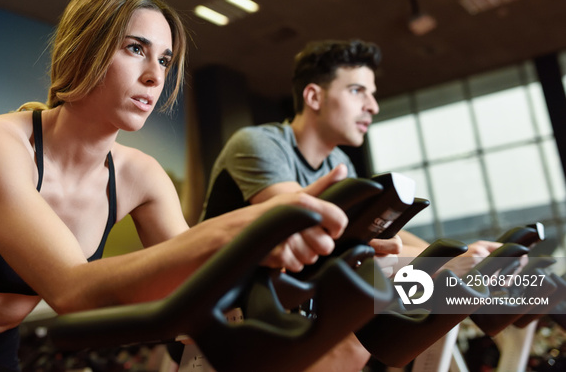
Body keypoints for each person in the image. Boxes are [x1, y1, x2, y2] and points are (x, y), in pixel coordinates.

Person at [0, 0, 349, 371]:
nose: (155, 76)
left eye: (163, 59)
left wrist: (297, 258)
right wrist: (249, 224)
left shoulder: (142, 176)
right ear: (83, 51)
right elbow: (72, 290)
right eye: (136, 49)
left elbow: (195, 286)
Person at [200, 39, 500, 371]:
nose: (372, 105)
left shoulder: (338, 162)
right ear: (314, 96)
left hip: (287, 299)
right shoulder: (259, 144)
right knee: (353, 332)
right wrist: (438, 264)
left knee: (380, 316)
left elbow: (376, 229)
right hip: (220, 308)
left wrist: (455, 256)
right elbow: (307, 230)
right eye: (358, 91)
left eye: (371, 94)